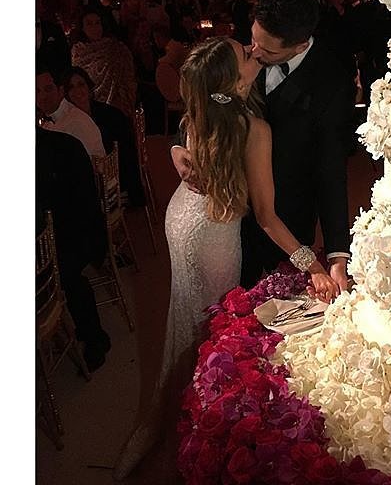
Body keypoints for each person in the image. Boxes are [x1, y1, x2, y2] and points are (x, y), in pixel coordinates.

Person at [113, 37, 339, 481]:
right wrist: (313, 265)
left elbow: (184, 139)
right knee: (213, 334)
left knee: (186, 320)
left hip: (181, 217)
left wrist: (177, 152)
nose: (253, 54)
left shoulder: (206, 106)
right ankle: (191, 432)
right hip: (212, 237)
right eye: (245, 55)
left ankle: (166, 419)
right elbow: (267, 218)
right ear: (234, 82)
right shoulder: (253, 128)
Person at [245, 0, 353, 290]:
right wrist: (179, 146)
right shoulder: (250, 49)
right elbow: (205, 95)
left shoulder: (332, 82)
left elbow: (331, 171)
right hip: (229, 210)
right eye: (253, 40)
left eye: (268, 51)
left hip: (287, 216)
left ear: (300, 45)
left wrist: (337, 257)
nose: (255, 53)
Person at [36, 125, 111, 371]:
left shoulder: (62, 147)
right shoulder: (64, 143)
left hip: (72, 239)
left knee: (69, 276)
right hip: (58, 239)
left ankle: (94, 337)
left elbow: (82, 209)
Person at [63, 66, 146, 207]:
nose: (77, 91)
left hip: (114, 177)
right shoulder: (68, 121)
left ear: (89, 88)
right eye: (71, 87)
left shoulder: (111, 116)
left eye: (81, 84)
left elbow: (126, 155)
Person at [70, 9, 138, 118]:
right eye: (89, 24)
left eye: (97, 23)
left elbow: (128, 78)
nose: (95, 27)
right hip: (90, 106)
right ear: (82, 28)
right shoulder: (79, 52)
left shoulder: (116, 48)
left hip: (117, 106)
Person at [36, 63, 106, 158]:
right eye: (37, 91)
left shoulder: (75, 122)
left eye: (48, 89)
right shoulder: (49, 121)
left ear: (61, 91)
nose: (42, 96)